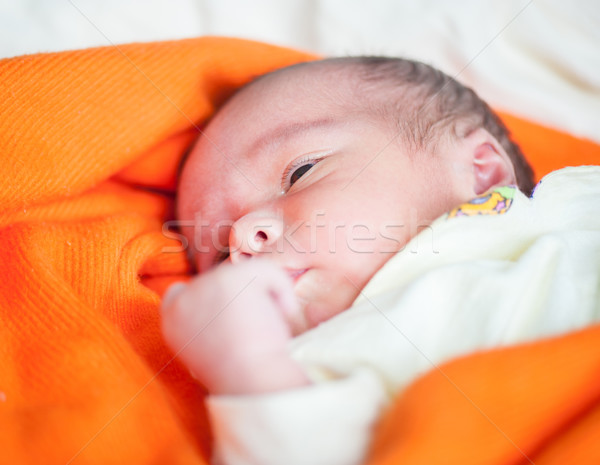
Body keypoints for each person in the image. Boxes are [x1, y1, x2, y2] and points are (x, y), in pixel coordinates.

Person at [161, 57, 600, 465]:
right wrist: (252, 372)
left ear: (482, 173)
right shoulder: (316, 376)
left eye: (299, 173)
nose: (241, 237)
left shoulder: (574, 206)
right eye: (219, 255)